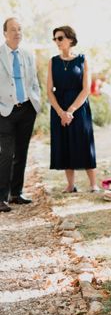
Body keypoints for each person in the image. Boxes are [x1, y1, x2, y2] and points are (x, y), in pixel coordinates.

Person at [47, 26, 98, 193]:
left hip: (79, 108)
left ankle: (93, 184)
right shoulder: (52, 61)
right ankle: (70, 185)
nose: (57, 42)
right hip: (58, 108)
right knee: (65, 144)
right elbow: (49, 91)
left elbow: (86, 90)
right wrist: (61, 112)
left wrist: (70, 110)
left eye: (60, 38)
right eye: (55, 39)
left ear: (70, 39)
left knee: (84, 143)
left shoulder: (82, 60)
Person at [0, 18, 41, 212]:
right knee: (6, 153)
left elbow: (34, 81)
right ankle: (1, 197)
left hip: (26, 109)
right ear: (5, 33)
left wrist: (36, 102)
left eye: (20, 29)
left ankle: (16, 193)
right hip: (4, 111)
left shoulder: (27, 55)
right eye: (13, 30)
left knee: (22, 152)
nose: (17, 33)